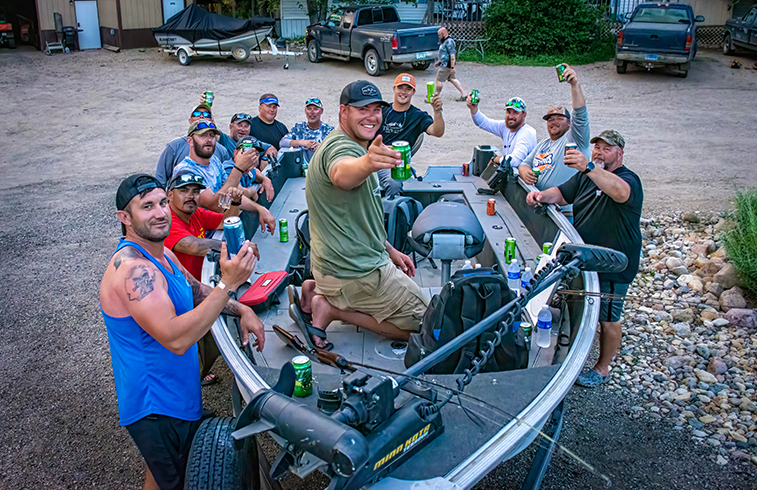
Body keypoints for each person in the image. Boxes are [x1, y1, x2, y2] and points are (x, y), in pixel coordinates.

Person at [100, 174, 264, 490]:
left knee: (159, 478)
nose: (161, 212)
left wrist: (242, 309)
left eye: (162, 202)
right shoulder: (133, 269)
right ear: (124, 217)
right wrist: (228, 284)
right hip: (157, 408)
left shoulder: (161, 253)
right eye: (147, 206)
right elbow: (175, 338)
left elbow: (195, 290)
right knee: (179, 481)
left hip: (176, 395)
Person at [290, 80, 429, 349]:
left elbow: (357, 216)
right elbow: (342, 174)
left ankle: (312, 290)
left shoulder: (350, 142)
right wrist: (367, 162)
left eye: (376, 109)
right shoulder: (340, 149)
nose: (372, 116)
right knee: (429, 324)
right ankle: (331, 309)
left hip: (334, 265)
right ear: (343, 112)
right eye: (362, 109)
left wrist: (388, 248)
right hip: (353, 274)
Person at [525, 130, 642, 388]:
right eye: (596, 148)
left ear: (620, 153)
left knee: (609, 318)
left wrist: (589, 167)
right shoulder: (586, 177)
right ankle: (572, 350)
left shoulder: (627, 179)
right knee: (582, 303)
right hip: (586, 257)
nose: (599, 152)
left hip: (614, 263)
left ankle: (602, 368)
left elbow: (620, 193)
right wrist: (542, 196)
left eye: (606, 149)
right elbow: (563, 193)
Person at [164, 170, 246, 386]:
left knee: (209, 336)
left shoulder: (197, 213)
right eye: (184, 191)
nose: (191, 196)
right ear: (169, 195)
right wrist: (234, 247)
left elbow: (227, 221)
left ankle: (197, 373)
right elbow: (192, 245)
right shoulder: (169, 221)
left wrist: (235, 202)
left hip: (197, 288)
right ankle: (190, 379)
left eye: (195, 191)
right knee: (192, 342)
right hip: (178, 296)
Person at [172, 120, 276, 234]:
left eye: (212, 136)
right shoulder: (186, 171)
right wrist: (239, 168)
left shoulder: (214, 161)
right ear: (190, 141)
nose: (208, 140)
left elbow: (228, 196)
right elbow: (215, 205)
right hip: (203, 237)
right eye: (202, 135)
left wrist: (259, 208)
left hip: (221, 225)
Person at [519, 64, 590, 220]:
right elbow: (524, 163)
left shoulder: (575, 139)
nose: (554, 122)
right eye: (550, 119)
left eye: (560, 118)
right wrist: (524, 172)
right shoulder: (544, 143)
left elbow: (580, 114)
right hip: (540, 208)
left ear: (570, 123)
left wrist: (574, 84)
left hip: (564, 214)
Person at [376, 73, 445, 197]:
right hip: (376, 159)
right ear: (394, 89)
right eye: (400, 87)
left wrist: (437, 111)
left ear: (413, 92)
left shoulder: (418, 116)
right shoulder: (381, 110)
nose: (404, 92)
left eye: (408, 88)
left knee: (395, 183)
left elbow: (438, 132)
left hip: (398, 164)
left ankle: (392, 213)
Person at [155, 103, 231, 187]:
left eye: (206, 114)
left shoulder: (219, 154)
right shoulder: (174, 147)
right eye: (197, 114)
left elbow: (228, 184)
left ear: (212, 121)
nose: (201, 116)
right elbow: (160, 179)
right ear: (190, 121)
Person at [466, 96, 537, 170]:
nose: (510, 116)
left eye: (515, 113)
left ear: (524, 115)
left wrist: (495, 159)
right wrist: (473, 109)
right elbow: (483, 123)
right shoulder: (506, 127)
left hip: (524, 178)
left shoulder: (526, 133)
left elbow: (515, 161)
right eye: (508, 112)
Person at [279, 98, 335, 163]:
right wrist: (302, 142)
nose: (312, 112)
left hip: (322, 167)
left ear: (321, 111)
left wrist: (322, 147)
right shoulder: (299, 128)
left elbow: (338, 148)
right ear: (305, 111)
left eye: (315, 109)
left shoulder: (328, 130)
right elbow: (282, 143)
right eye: (309, 109)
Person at [433, 27, 466, 101]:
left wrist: (452, 68)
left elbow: (452, 55)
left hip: (446, 65)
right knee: (452, 79)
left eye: (439, 35)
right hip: (445, 64)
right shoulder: (445, 41)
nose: (439, 37)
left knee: (439, 80)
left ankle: (436, 96)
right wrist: (439, 62)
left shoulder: (449, 42)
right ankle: (464, 94)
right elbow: (445, 54)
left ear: (443, 33)